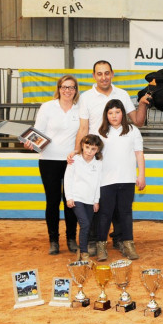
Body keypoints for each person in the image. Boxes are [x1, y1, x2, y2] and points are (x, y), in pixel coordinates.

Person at [71, 60, 150, 255]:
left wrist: (141, 104)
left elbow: (137, 121)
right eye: (99, 73)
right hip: (96, 158)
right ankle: (94, 241)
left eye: (107, 73)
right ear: (94, 76)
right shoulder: (87, 97)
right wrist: (78, 153)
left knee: (120, 208)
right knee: (97, 204)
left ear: (112, 74)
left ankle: (121, 240)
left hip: (121, 164)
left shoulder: (122, 95)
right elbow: (83, 128)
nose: (103, 77)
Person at [23, 75, 80, 255]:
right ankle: (53, 240)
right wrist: (30, 143)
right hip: (48, 160)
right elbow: (37, 132)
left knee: (70, 201)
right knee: (52, 201)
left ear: (76, 90)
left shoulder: (80, 109)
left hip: (72, 161)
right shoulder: (47, 107)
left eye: (71, 87)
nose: (67, 90)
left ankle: (71, 239)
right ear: (59, 88)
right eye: (64, 87)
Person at [96, 99, 146, 261]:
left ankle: (128, 244)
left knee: (125, 213)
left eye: (117, 112)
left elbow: (139, 154)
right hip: (105, 180)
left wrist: (141, 175)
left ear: (123, 114)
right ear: (106, 115)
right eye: (110, 113)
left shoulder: (133, 131)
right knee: (105, 214)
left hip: (127, 179)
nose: (114, 116)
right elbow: (92, 155)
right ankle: (101, 246)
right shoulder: (100, 133)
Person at [64, 135, 103, 261]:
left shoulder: (98, 164)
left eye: (93, 149)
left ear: (97, 150)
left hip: (90, 200)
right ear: (82, 146)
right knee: (85, 224)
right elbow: (67, 179)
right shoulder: (74, 160)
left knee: (87, 225)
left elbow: (98, 183)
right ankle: (84, 252)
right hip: (77, 199)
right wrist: (69, 197)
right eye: (87, 147)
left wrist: (96, 201)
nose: (89, 151)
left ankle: (82, 249)